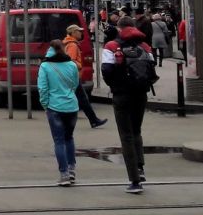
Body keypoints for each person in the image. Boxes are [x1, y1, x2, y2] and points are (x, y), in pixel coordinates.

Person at [102, 16, 155, 194]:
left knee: (126, 136)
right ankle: (140, 168)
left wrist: (116, 84)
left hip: (121, 95)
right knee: (136, 131)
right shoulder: (145, 46)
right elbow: (152, 68)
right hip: (141, 93)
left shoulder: (111, 46)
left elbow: (106, 71)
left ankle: (134, 180)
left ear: (119, 28)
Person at [38, 39, 80, 186]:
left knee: (59, 141)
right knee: (69, 138)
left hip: (54, 107)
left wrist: (45, 105)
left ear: (50, 50)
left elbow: (43, 89)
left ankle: (64, 174)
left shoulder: (45, 66)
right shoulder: (72, 65)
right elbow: (75, 84)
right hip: (72, 106)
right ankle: (72, 169)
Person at [62, 25, 107, 129]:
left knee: (77, 99)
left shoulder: (68, 43)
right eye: (78, 31)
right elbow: (71, 60)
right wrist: (79, 65)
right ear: (73, 33)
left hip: (71, 77)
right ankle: (93, 120)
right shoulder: (72, 45)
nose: (81, 33)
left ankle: (93, 120)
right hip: (73, 77)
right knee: (82, 99)